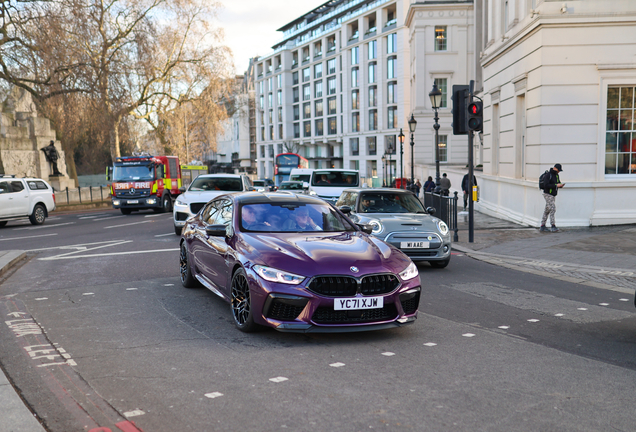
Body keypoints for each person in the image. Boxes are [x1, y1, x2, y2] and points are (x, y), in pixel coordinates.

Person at [540, 163, 565, 232]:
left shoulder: (556, 175)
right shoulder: (548, 175)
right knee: (553, 208)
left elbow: (557, 183)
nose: (559, 171)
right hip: (547, 194)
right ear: (555, 168)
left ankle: (542, 225)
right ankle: (553, 225)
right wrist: (556, 185)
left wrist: (560, 185)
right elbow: (546, 185)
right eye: (558, 170)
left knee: (547, 209)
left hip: (553, 194)